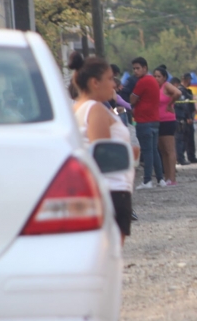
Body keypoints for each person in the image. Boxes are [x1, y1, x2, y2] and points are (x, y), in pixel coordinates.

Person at [68, 52, 138, 245]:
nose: (114, 84)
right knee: (110, 254)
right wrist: (128, 155)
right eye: (109, 79)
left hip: (94, 188)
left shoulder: (77, 108)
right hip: (111, 189)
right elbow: (103, 155)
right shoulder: (95, 109)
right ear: (94, 83)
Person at [130, 57, 166, 189]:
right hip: (155, 120)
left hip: (144, 120)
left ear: (145, 68)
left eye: (138, 68)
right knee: (154, 150)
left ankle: (147, 180)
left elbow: (132, 99)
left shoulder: (142, 82)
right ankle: (160, 179)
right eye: (134, 68)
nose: (135, 71)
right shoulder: (153, 81)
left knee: (147, 151)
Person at [153, 65, 182, 185]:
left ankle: (172, 177)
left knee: (170, 150)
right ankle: (167, 177)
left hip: (168, 120)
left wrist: (170, 104)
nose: (156, 78)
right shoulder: (154, 87)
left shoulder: (166, 86)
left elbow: (178, 92)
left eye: (159, 76)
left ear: (164, 77)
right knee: (163, 151)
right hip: (157, 120)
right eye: (154, 76)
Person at [180, 73, 197, 164]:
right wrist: (187, 117)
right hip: (185, 118)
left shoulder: (188, 91)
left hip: (190, 117)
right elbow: (184, 105)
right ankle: (181, 157)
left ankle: (191, 156)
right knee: (183, 139)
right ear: (187, 79)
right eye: (189, 80)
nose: (190, 82)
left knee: (190, 139)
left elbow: (190, 104)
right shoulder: (181, 91)